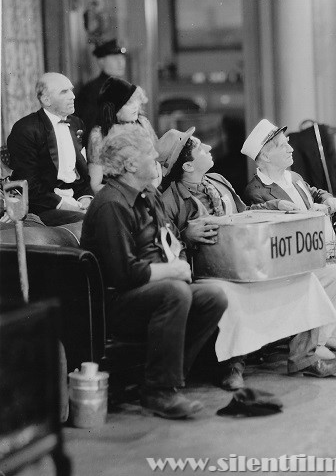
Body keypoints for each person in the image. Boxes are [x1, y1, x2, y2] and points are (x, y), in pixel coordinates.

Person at [156, 128, 336, 388]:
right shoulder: (170, 201)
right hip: (209, 273)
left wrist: (274, 205)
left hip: (242, 263)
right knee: (233, 297)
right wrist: (186, 234)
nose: (209, 149)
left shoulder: (218, 181)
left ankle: (304, 356)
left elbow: (244, 212)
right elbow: (164, 246)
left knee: (303, 279)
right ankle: (232, 367)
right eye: (201, 148)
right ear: (188, 165)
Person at [80, 124, 228, 419]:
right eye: (150, 154)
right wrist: (172, 271)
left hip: (149, 290)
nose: (157, 161)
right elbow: (124, 274)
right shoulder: (111, 204)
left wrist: (178, 261)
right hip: (118, 300)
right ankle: (158, 391)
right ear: (132, 164)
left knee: (214, 296)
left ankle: (165, 380)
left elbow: (167, 239)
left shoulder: (148, 195)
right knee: (175, 291)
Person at [243, 119, 336, 358]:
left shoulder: (294, 177)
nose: (291, 149)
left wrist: (327, 199)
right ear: (266, 157)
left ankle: (335, 335)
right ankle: (315, 343)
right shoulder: (258, 190)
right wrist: (310, 212)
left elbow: (313, 192)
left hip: (317, 251)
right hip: (292, 262)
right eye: (283, 146)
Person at [7, 72, 92, 226]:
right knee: (92, 222)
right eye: (64, 92)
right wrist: (64, 204)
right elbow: (27, 185)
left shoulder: (76, 124)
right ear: (46, 100)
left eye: (71, 90)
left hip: (75, 201)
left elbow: (82, 173)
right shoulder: (26, 129)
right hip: (43, 207)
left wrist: (85, 197)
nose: (72, 96)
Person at [87, 75, 158, 193]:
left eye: (136, 100)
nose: (136, 106)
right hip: (121, 197)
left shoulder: (143, 123)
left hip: (152, 189)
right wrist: (134, 193)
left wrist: (151, 189)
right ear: (113, 109)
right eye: (128, 103)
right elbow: (95, 185)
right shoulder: (99, 136)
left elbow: (157, 162)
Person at [75, 39, 127, 133]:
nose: (121, 63)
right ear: (101, 61)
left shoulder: (122, 87)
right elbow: (90, 128)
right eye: (115, 58)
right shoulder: (94, 90)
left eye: (122, 58)